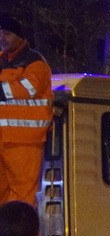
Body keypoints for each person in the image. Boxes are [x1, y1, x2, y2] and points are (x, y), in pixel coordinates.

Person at [0, 14, 52, 207]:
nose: (1, 38)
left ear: (19, 36)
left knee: (22, 195)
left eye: (6, 33)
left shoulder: (35, 63)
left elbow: (26, 89)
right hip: (4, 139)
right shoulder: (2, 60)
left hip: (24, 141)